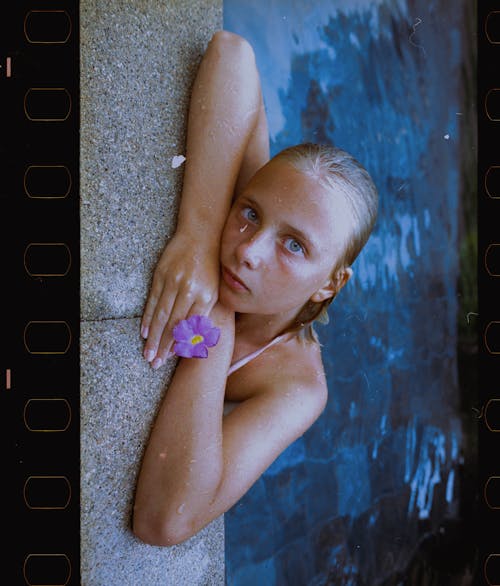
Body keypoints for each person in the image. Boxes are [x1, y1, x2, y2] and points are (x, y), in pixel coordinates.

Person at [132, 30, 378, 547]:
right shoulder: (259, 214)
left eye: (294, 247)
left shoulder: (299, 387)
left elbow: (164, 521)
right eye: (249, 212)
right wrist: (198, 236)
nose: (249, 250)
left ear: (331, 284)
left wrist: (217, 313)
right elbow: (233, 53)